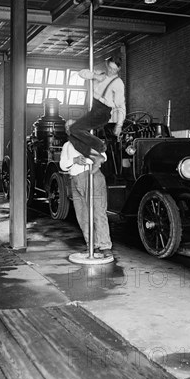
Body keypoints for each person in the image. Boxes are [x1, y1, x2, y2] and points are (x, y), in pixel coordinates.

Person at [60, 122, 112, 258]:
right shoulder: (67, 146)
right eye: (68, 127)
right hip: (75, 179)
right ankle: (92, 245)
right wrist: (75, 160)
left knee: (98, 212)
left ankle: (105, 246)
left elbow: (104, 157)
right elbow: (63, 165)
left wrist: (89, 160)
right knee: (82, 215)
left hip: (92, 176)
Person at [68, 56, 126, 173]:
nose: (111, 71)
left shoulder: (118, 83)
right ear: (106, 65)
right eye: (110, 68)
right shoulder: (100, 73)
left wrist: (119, 125)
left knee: (74, 128)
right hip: (92, 107)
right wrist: (95, 76)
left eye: (114, 70)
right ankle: (96, 156)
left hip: (102, 111)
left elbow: (121, 106)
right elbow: (81, 73)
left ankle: (100, 146)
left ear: (118, 70)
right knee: (72, 135)